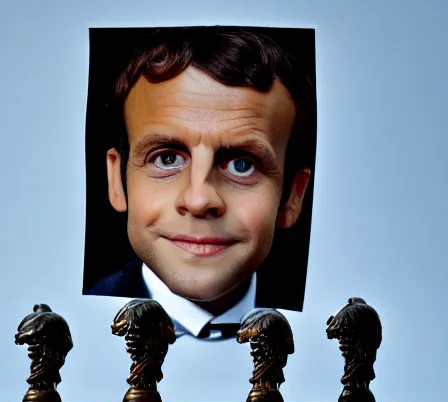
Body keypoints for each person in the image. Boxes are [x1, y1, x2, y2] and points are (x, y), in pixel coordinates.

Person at [85, 27, 316, 340]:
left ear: (293, 196)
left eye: (242, 165)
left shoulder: (320, 332)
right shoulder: (73, 324)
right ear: (117, 179)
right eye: (166, 159)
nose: (199, 200)